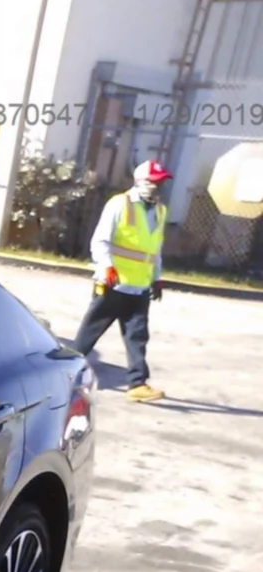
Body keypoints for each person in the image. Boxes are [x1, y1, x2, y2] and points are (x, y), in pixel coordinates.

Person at [72, 159, 171, 401]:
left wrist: (156, 279)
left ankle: (137, 384)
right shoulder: (119, 204)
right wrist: (106, 267)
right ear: (141, 182)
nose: (158, 188)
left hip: (139, 287)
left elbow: (154, 250)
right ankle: (63, 374)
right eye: (155, 182)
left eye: (161, 183)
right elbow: (100, 241)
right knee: (88, 335)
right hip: (113, 284)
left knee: (137, 337)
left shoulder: (160, 211)